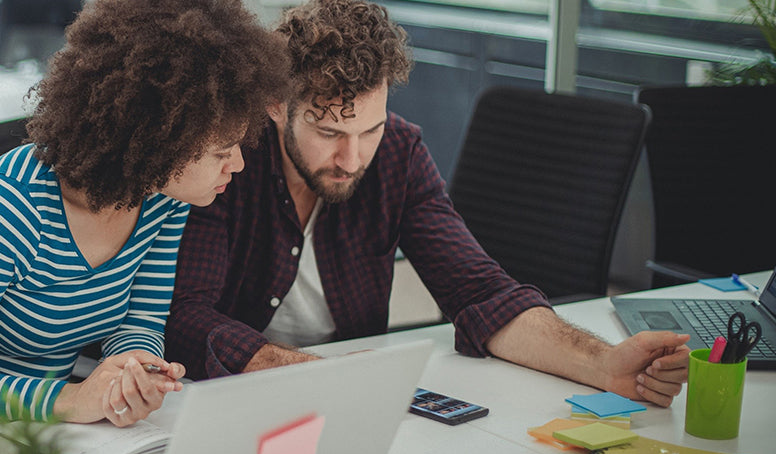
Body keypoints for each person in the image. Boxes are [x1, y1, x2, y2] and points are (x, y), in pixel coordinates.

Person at [165, 0, 690, 408]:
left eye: (369, 129)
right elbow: (186, 316)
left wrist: (605, 364)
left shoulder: (397, 151)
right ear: (278, 106)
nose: (352, 158)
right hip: (236, 404)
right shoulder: (229, 160)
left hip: (348, 404)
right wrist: (311, 374)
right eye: (328, 132)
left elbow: (480, 291)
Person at [0, 0, 289, 426]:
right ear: (158, 139)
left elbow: (140, 319)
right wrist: (71, 399)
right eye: (220, 151)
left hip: (38, 432)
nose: (238, 164)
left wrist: (133, 371)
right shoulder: (6, 210)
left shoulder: (163, 198)